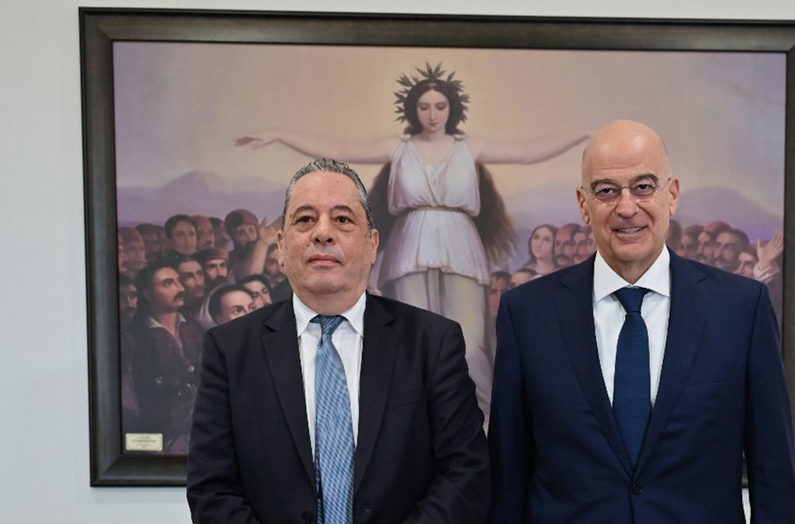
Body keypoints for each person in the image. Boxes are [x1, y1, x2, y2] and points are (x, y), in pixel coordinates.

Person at [479, 120, 795, 524]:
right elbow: (506, 476)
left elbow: (772, 474)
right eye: (607, 190)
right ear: (583, 204)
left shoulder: (739, 309)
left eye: (643, 186)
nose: (627, 206)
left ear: (672, 193)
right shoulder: (527, 313)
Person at [187, 158, 489, 524]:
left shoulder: (432, 342)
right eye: (305, 219)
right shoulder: (230, 350)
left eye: (342, 219)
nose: (323, 232)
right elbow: (214, 496)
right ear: (281, 244)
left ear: (372, 244)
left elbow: (464, 480)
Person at [235, 63, 587, 416]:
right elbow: (338, 148)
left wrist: (584, 134)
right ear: (413, 109)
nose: (432, 115)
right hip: (410, 247)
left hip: (460, 248)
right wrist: (280, 135)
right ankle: (410, 425)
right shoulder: (399, 147)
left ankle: (480, 425)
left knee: (471, 344)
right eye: (424, 107)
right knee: (410, 341)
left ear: (451, 108)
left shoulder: (468, 147)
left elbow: (527, 151)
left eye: (439, 106)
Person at [130, 261, 203, 452]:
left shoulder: (194, 329)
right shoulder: (136, 337)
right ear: (147, 294)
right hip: (160, 436)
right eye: (168, 284)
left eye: (179, 281)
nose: (180, 288)